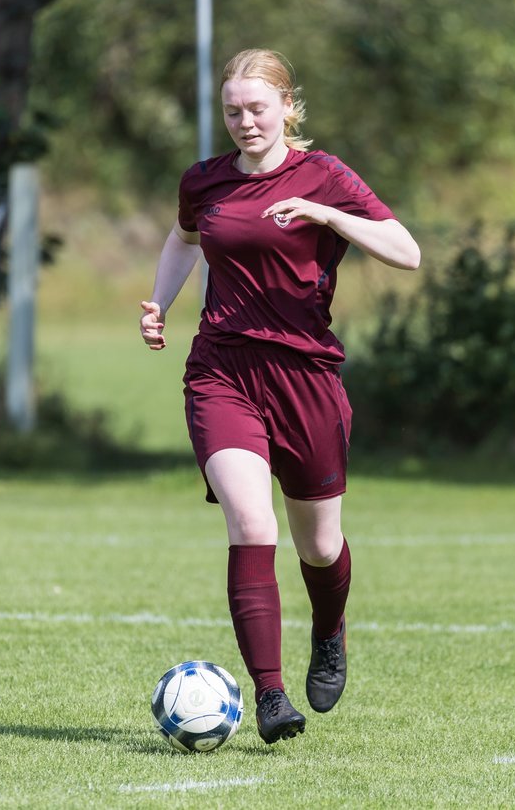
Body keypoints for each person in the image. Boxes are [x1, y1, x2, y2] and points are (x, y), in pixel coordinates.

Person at [139, 48, 420, 745]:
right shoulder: (203, 181)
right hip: (222, 371)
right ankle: (270, 696)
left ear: (287, 108)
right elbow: (184, 240)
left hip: (307, 378)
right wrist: (160, 301)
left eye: (257, 108)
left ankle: (330, 630)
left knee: (320, 546)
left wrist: (327, 214)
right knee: (251, 525)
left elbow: (405, 250)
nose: (244, 121)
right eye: (232, 111)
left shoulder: (324, 175)